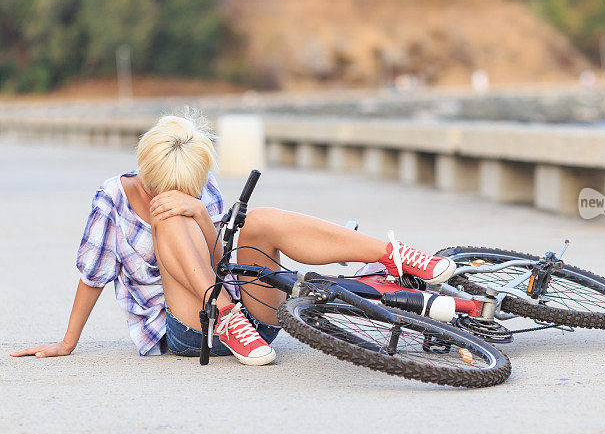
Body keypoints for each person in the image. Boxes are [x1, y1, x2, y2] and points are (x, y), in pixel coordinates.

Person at [10, 111, 456, 366]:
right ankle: (223, 313)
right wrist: (67, 342)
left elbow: (224, 255)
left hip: (254, 322)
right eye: (166, 187)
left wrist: (202, 212)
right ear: (145, 173)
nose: (179, 192)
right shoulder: (112, 198)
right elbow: (92, 277)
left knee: (257, 219)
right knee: (169, 220)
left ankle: (393, 255)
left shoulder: (195, 179)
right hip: (190, 327)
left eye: (189, 186)